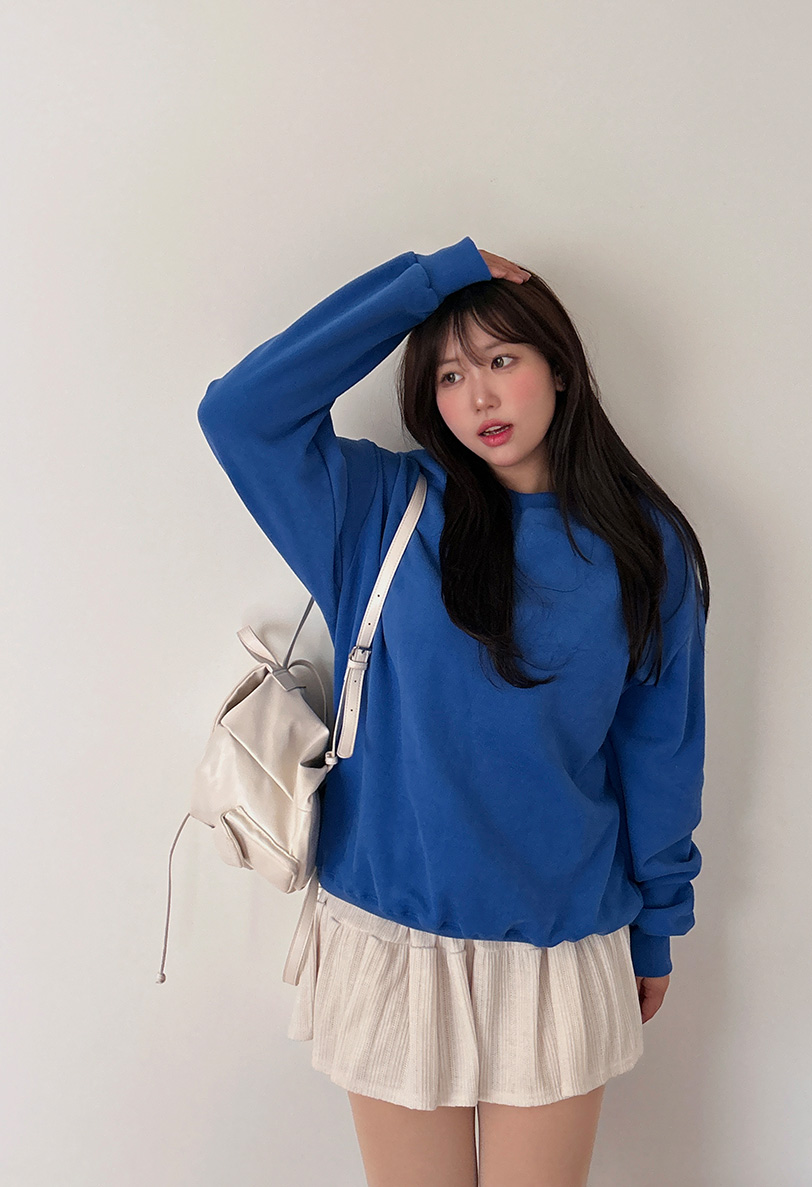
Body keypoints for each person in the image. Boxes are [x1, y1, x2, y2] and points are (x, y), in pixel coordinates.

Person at [196, 236, 710, 1187]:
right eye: (449, 375)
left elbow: (660, 750)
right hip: (393, 931)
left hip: (560, 939)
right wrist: (426, 284)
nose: (478, 397)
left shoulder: (646, 546)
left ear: (560, 367)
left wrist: (658, 924)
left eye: (502, 360)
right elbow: (240, 414)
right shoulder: (380, 512)